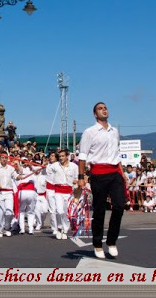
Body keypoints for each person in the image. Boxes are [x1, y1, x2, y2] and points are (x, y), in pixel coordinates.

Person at [78, 102, 125, 259]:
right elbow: (83, 156)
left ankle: (111, 241)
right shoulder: (89, 132)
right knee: (99, 210)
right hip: (98, 173)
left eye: (105, 108)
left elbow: (116, 154)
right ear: (94, 114)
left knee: (119, 206)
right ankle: (97, 243)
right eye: (100, 108)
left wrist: (122, 173)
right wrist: (81, 177)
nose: (104, 110)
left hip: (115, 172)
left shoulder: (114, 131)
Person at [46, 149, 78, 240]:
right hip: (58, 191)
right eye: (59, 156)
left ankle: (65, 230)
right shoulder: (55, 166)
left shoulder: (74, 166)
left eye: (63, 156)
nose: (61, 158)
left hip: (68, 192)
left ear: (67, 156)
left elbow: (77, 177)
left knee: (66, 212)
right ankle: (59, 228)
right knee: (59, 211)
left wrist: (75, 181)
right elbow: (48, 171)